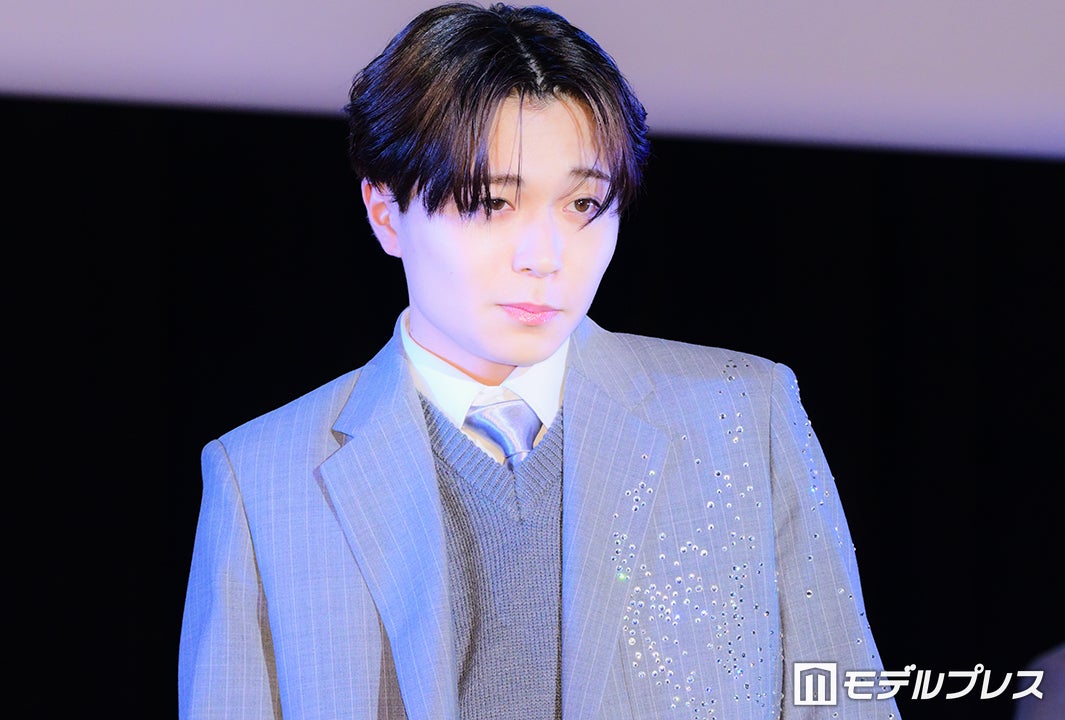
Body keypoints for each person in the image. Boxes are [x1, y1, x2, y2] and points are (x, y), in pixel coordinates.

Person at [178, 3, 900, 719]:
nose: (544, 257)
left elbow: (843, 698)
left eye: (583, 204)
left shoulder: (740, 417)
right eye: (491, 202)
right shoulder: (265, 476)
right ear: (385, 211)